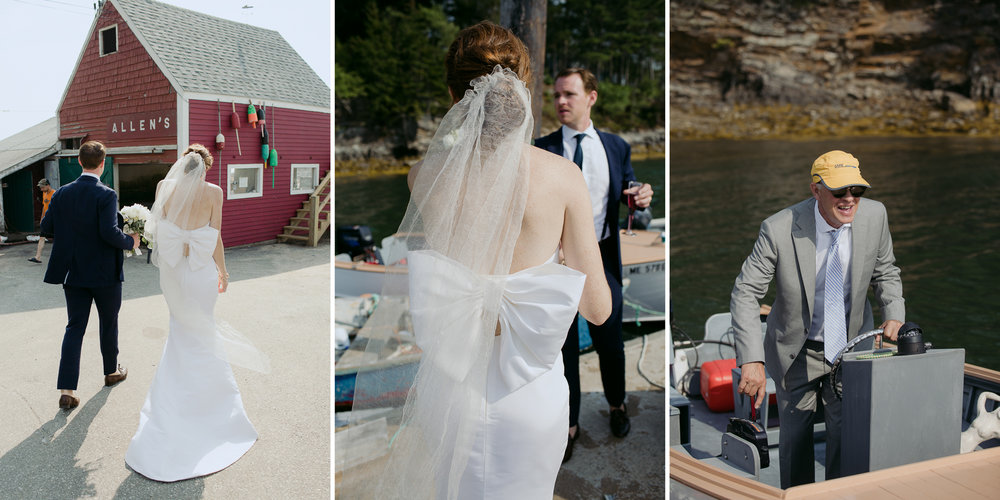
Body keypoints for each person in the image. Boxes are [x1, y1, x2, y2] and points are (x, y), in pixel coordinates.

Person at [340, 21, 611, 499]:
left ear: (454, 97)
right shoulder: (564, 178)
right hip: (533, 398)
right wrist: (559, 262)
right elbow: (597, 309)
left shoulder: (421, 177)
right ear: (522, 90)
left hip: (452, 392)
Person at [731, 150, 904, 487]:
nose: (850, 199)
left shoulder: (876, 216)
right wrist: (751, 358)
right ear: (815, 190)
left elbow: (886, 272)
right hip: (795, 352)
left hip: (852, 349)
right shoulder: (777, 228)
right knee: (795, 442)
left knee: (847, 436)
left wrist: (894, 314)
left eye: (857, 190)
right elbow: (746, 293)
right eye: (840, 192)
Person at [125, 144, 269, 482]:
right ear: (205, 167)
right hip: (200, 273)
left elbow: (156, 231)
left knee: (180, 330)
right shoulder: (215, 193)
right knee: (202, 331)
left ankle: (173, 405)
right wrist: (224, 271)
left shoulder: (164, 188)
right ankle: (210, 410)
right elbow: (215, 238)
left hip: (173, 272)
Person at [534, 67, 653, 459]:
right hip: (556, 262)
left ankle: (617, 405)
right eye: (555, 96)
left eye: (568, 94)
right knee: (563, 347)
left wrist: (640, 199)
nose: (560, 102)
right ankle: (569, 425)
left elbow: (630, 197)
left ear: (592, 97)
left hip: (602, 258)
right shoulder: (542, 148)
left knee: (610, 341)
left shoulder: (616, 146)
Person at [40, 141, 138, 410]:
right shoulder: (106, 195)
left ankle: (67, 390)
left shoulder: (61, 194)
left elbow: (46, 227)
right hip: (105, 274)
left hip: (74, 273)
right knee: (109, 323)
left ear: (80, 162)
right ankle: (111, 372)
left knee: (74, 328)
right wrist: (132, 241)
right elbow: (108, 232)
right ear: (102, 163)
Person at [28, 178, 55, 263]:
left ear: (48, 185)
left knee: (58, 239)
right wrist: (42, 219)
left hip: (54, 220)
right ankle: (37, 257)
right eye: (40, 188)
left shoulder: (55, 194)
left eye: (43, 187)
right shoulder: (44, 194)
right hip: (46, 219)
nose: (41, 189)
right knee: (42, 237)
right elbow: (44, 207)